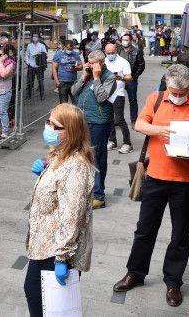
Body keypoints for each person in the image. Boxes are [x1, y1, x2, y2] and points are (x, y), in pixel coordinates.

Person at [113, 64, 189, 308]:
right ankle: (135, 273)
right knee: (145, 229)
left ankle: (173, 282)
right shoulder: (156, 99)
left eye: (182, 92)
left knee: (180, 235)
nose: (177, 96)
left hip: (185, 183)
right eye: (173, 91)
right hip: (155, 178)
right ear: (167, 86)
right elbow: (139, 124)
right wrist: (162, 130)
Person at [24, 103, 95, 317]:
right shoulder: (59, 154)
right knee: (39, 297)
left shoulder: (77, 167)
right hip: (44, 243)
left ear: (69, 132)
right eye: (48, 122)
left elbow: (72, 215)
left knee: (45, 302)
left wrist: (62, 258)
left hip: (56, 249)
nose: (48, 128)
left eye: (55, 126)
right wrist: (46, 172)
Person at [71, 50, 115, 209]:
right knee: (82, 156)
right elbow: (74, 92)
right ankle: (87, 189)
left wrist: (96, 78)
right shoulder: (87, 74)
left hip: (98, 122)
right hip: (82, 120)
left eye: (93, 63)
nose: (89, 65)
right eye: (88, 62)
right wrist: (84, 76)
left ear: (102, 63)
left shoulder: (109, 77)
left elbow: (102, 97)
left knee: (97, 157)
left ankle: (99, 195)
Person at [105, 43, 133, 153]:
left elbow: (129, 77)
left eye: (113, 53)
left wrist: (120, 77)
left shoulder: (123, 62)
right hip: (106, 93)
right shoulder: (104, 61)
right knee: (109, 118)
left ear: (116, 51)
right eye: (108, 53)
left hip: (118, 94)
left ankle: (127, 143)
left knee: (119, 119)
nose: (111, 55)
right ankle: (112, 141)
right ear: (105, 52)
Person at [119, 33, 146, 125]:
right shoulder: (118, 50)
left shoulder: (136, 51)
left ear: (130, 41)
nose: (124, 42)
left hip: (131, 80)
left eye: (126, 40)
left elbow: (141, 66)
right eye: (123, 40)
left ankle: (134, 120)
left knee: (133, 100)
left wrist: (134, 77)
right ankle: (118, 119)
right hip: (119, 80)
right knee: (118, 99)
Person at [51, 39, 83, 104]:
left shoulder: (76, 54)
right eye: (68, 49)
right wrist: (57, 81)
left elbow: (81, 66)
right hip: (62, 82)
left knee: (76, 102)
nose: (70, 51)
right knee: (63, 104)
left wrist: (77, 68)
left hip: (73, 82)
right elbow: (54, 68)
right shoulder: (58, 54)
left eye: (71, 49)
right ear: (64, 47)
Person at [25, 33, 48, 100]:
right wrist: (28, 62)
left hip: (39, 66)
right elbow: (27, 54)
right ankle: (28, 95)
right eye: (33, 36)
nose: (35, 37)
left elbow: (45, 54)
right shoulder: (29, 45)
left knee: (40, 81)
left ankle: (42, 95)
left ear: (38, 38)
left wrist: (39, 54)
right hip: (31, 65)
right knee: (29, 81)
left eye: (36, 36)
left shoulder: (41, 45)